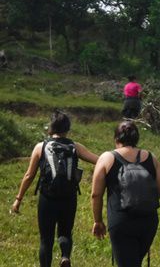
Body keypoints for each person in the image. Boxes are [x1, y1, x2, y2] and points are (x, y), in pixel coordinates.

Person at [11, 110, 99, 267]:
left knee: (46, 239)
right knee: (65, 232)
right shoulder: (75, 147)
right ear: (67, 128)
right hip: (69, 197)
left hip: (47, 198)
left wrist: (18, 199)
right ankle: (65, 256)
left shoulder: (41, 147)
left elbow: (29, 176)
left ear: (50, 127)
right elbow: (99, 161)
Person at [91, 121, 160, 267]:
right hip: (148, 222)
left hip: (121, 221)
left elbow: (96, 194)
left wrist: (98, 221)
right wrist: (143, 198)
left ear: (116, 138)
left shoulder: (107, 157)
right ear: (136, 138)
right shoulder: (151, 157)